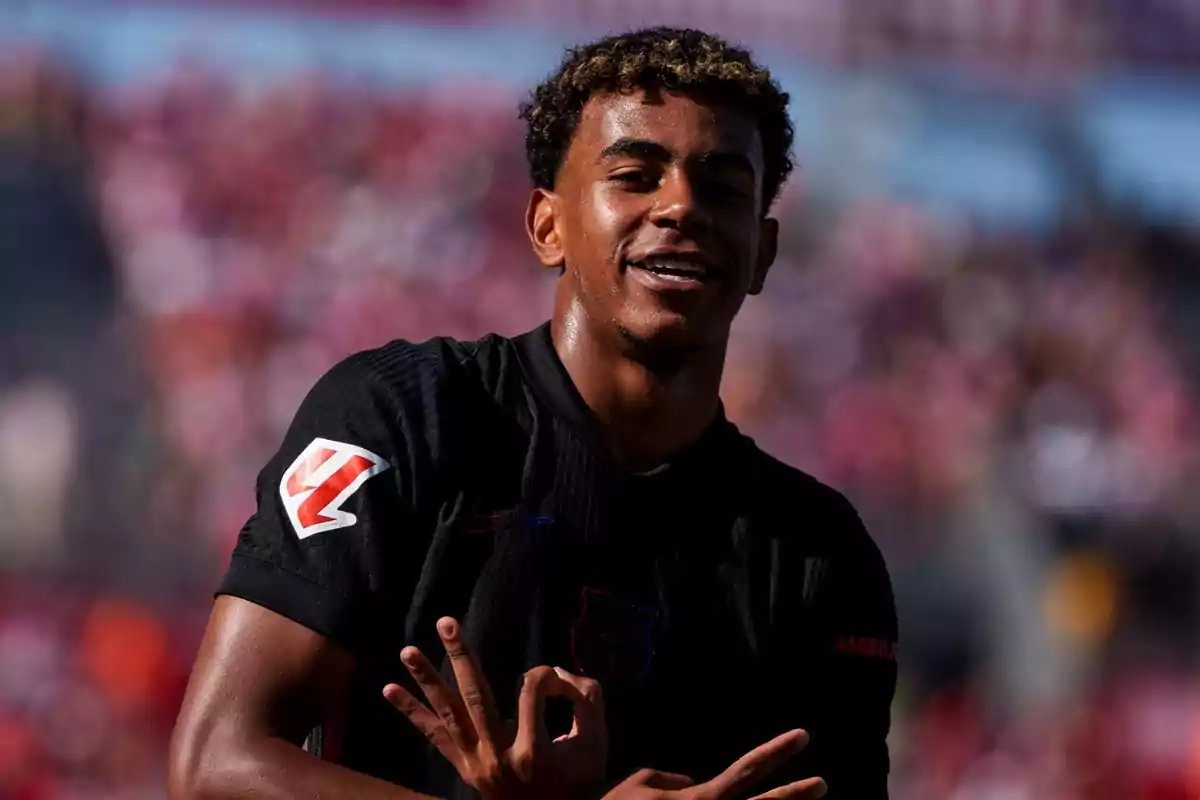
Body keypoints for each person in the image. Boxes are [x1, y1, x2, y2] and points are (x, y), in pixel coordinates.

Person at [168, 26, 897, 800]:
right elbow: (216, 761)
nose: (680, 205)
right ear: (548, 226)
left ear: (763, 251)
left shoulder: (822, 554)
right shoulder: (405, 417)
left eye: (722, 186)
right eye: (635, 175)